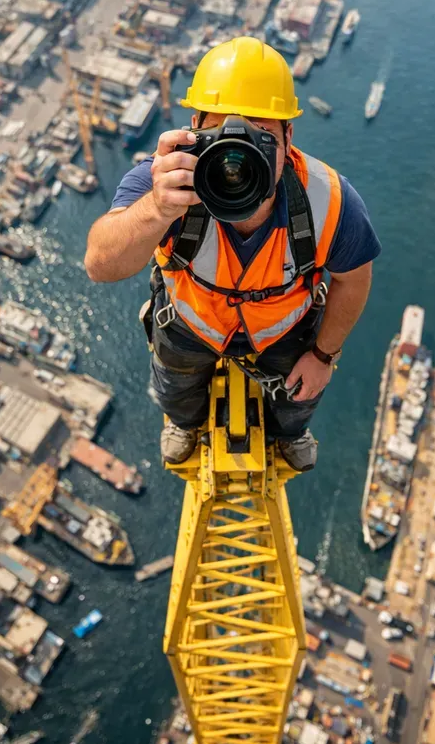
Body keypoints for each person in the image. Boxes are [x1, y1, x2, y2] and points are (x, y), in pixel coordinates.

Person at [85, 37, 381, 471]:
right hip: (190, 322)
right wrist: (157, 208)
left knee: (300, 395)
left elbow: (354, 279)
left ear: (288, 136)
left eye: (261, 134)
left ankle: (292, 431)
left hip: (283, 329)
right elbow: (99, 265)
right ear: (193, 130)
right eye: (219, 133)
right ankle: (185, 422)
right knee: (176, 388)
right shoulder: (163, 183)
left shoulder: (330, 201)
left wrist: (322, 357)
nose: (238, 154)